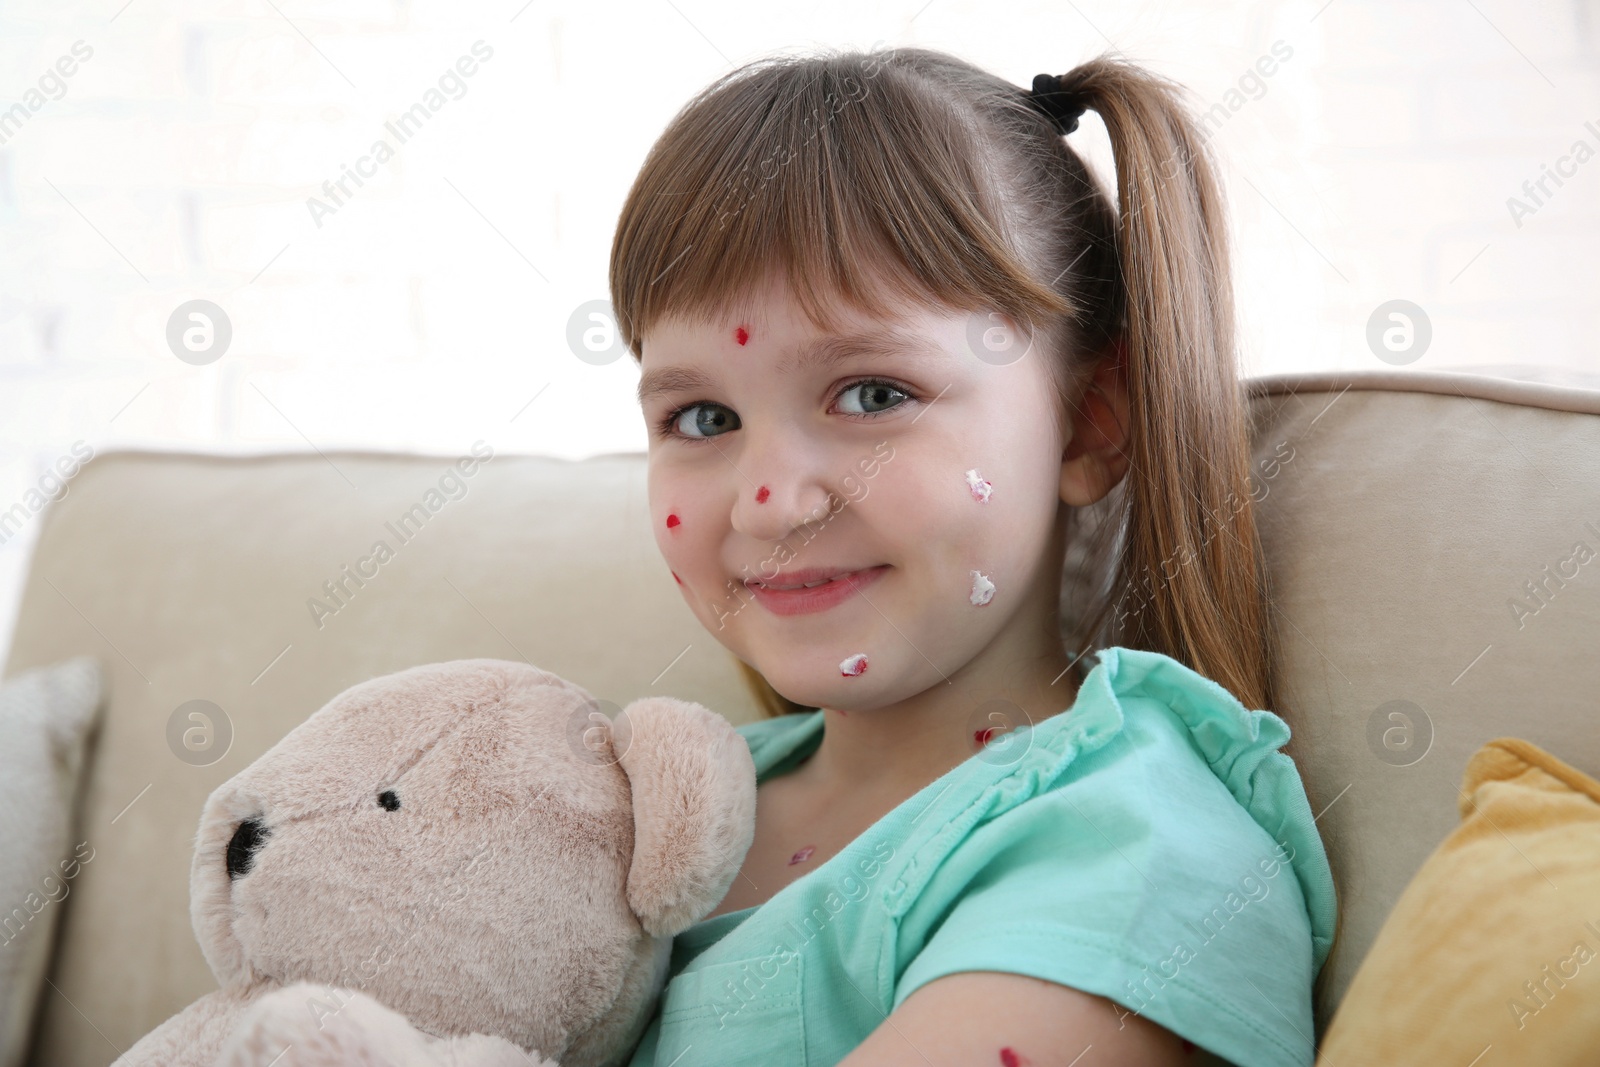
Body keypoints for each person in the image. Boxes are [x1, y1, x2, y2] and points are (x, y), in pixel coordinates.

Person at [608, 44, 1339, 1067]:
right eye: (701, 415)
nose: (772, 501)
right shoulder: (642, 809)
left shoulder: (1129, 855)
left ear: (1089, 422)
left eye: (872, 394)